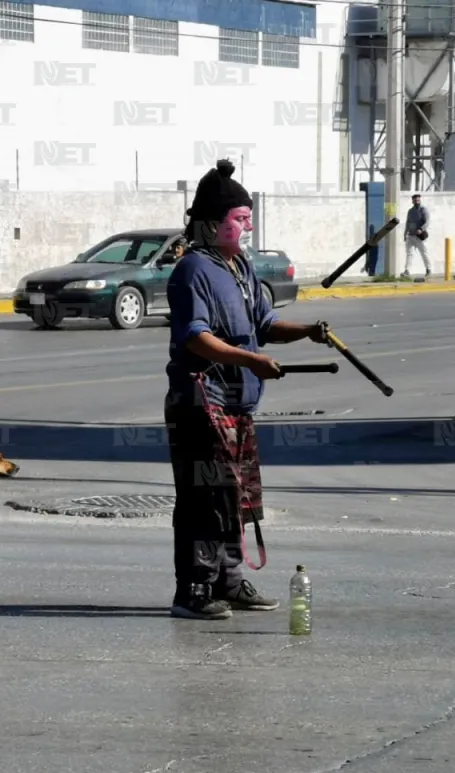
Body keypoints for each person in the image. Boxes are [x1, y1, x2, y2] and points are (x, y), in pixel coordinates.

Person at [164, 159, 334, 621]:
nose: (247, 226)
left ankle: (231, 583)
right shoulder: (192, 271)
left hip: (238, 405)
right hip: (201, 403)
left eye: (248, 219)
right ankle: (194, 590)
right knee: (204, 498)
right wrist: (250, 359)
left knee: (235, 498)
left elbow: (266, 323)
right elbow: (196, 337)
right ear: (213, 224)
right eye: (239, 219)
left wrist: (307, 331)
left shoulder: (241, 268)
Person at [402, 194, 432, 278]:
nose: (416, 202)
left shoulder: (423, 210)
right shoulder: (410, 211)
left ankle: (428, 269)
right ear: (412, 201)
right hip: (410, 235)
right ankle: (407, 270)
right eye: (415, 200)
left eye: (418, 200)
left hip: (419, 236)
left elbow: (427, 222)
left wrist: (421, 229)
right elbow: (407, 222)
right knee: (409, 253)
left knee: (424, 252)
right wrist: (405, 233)